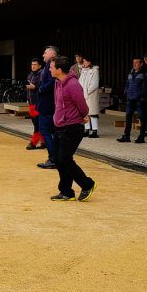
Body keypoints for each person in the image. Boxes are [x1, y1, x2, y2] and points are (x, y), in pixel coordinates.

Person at [49, 55, 96, 202]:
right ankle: (66, 191)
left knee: (64, 159)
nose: (50, 69)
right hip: (60, 126)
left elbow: (82, 106)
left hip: (72, 127)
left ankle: (87, 184)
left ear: (59, 69)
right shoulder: (57, 83)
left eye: (51, 67)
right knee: (58, 159)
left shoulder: (73, 84)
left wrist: (83, 116)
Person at [118, 56, 147, 143]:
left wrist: (141, 95)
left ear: (141, 64)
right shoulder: (130, 73)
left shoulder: (144, 74)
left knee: (142, 118)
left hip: (140, 100)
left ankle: (141, 137)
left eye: (136, 62)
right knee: (128, 117)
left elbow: (146, 87)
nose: (134, 64)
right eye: (133, 62)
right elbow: (127, 85)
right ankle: (126, 136)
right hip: (130, 99)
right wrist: (126, 93)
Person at [36, 46, 59, 169]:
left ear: (52, 54)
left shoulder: (51, 66)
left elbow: (51, 82)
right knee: (52, 132)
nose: (43, 55)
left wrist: (41, 89)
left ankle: (53, 158)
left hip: (47, 105)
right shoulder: (49, 66)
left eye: (45, 52)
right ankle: (55, 157)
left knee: (46, 131)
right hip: (48, 104)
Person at [24, 58, 45, 150]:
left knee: (37, 123)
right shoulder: (30, 75)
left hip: (38, 102)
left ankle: (33, 142)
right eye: (32, 64)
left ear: (40, 66)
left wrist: (35, 87)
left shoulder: (41, 75)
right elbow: (28, 89)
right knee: (35, 122)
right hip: (31, 102)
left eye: (35, 64)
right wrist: (27, 99)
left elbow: (43, 87)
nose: (33, 66)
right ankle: (44, 141)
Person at [78, 55, 100, 138]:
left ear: (89, 62)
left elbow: (94, 84)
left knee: (93, 113)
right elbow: (80, 81)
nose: (83, 62)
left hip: (91, 95)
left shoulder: (95, 70)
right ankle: (86, 129)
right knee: (85, 113)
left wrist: (87, 92)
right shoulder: (83, 71)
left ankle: (95, 130)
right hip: (83, 94)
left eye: (84, 61)